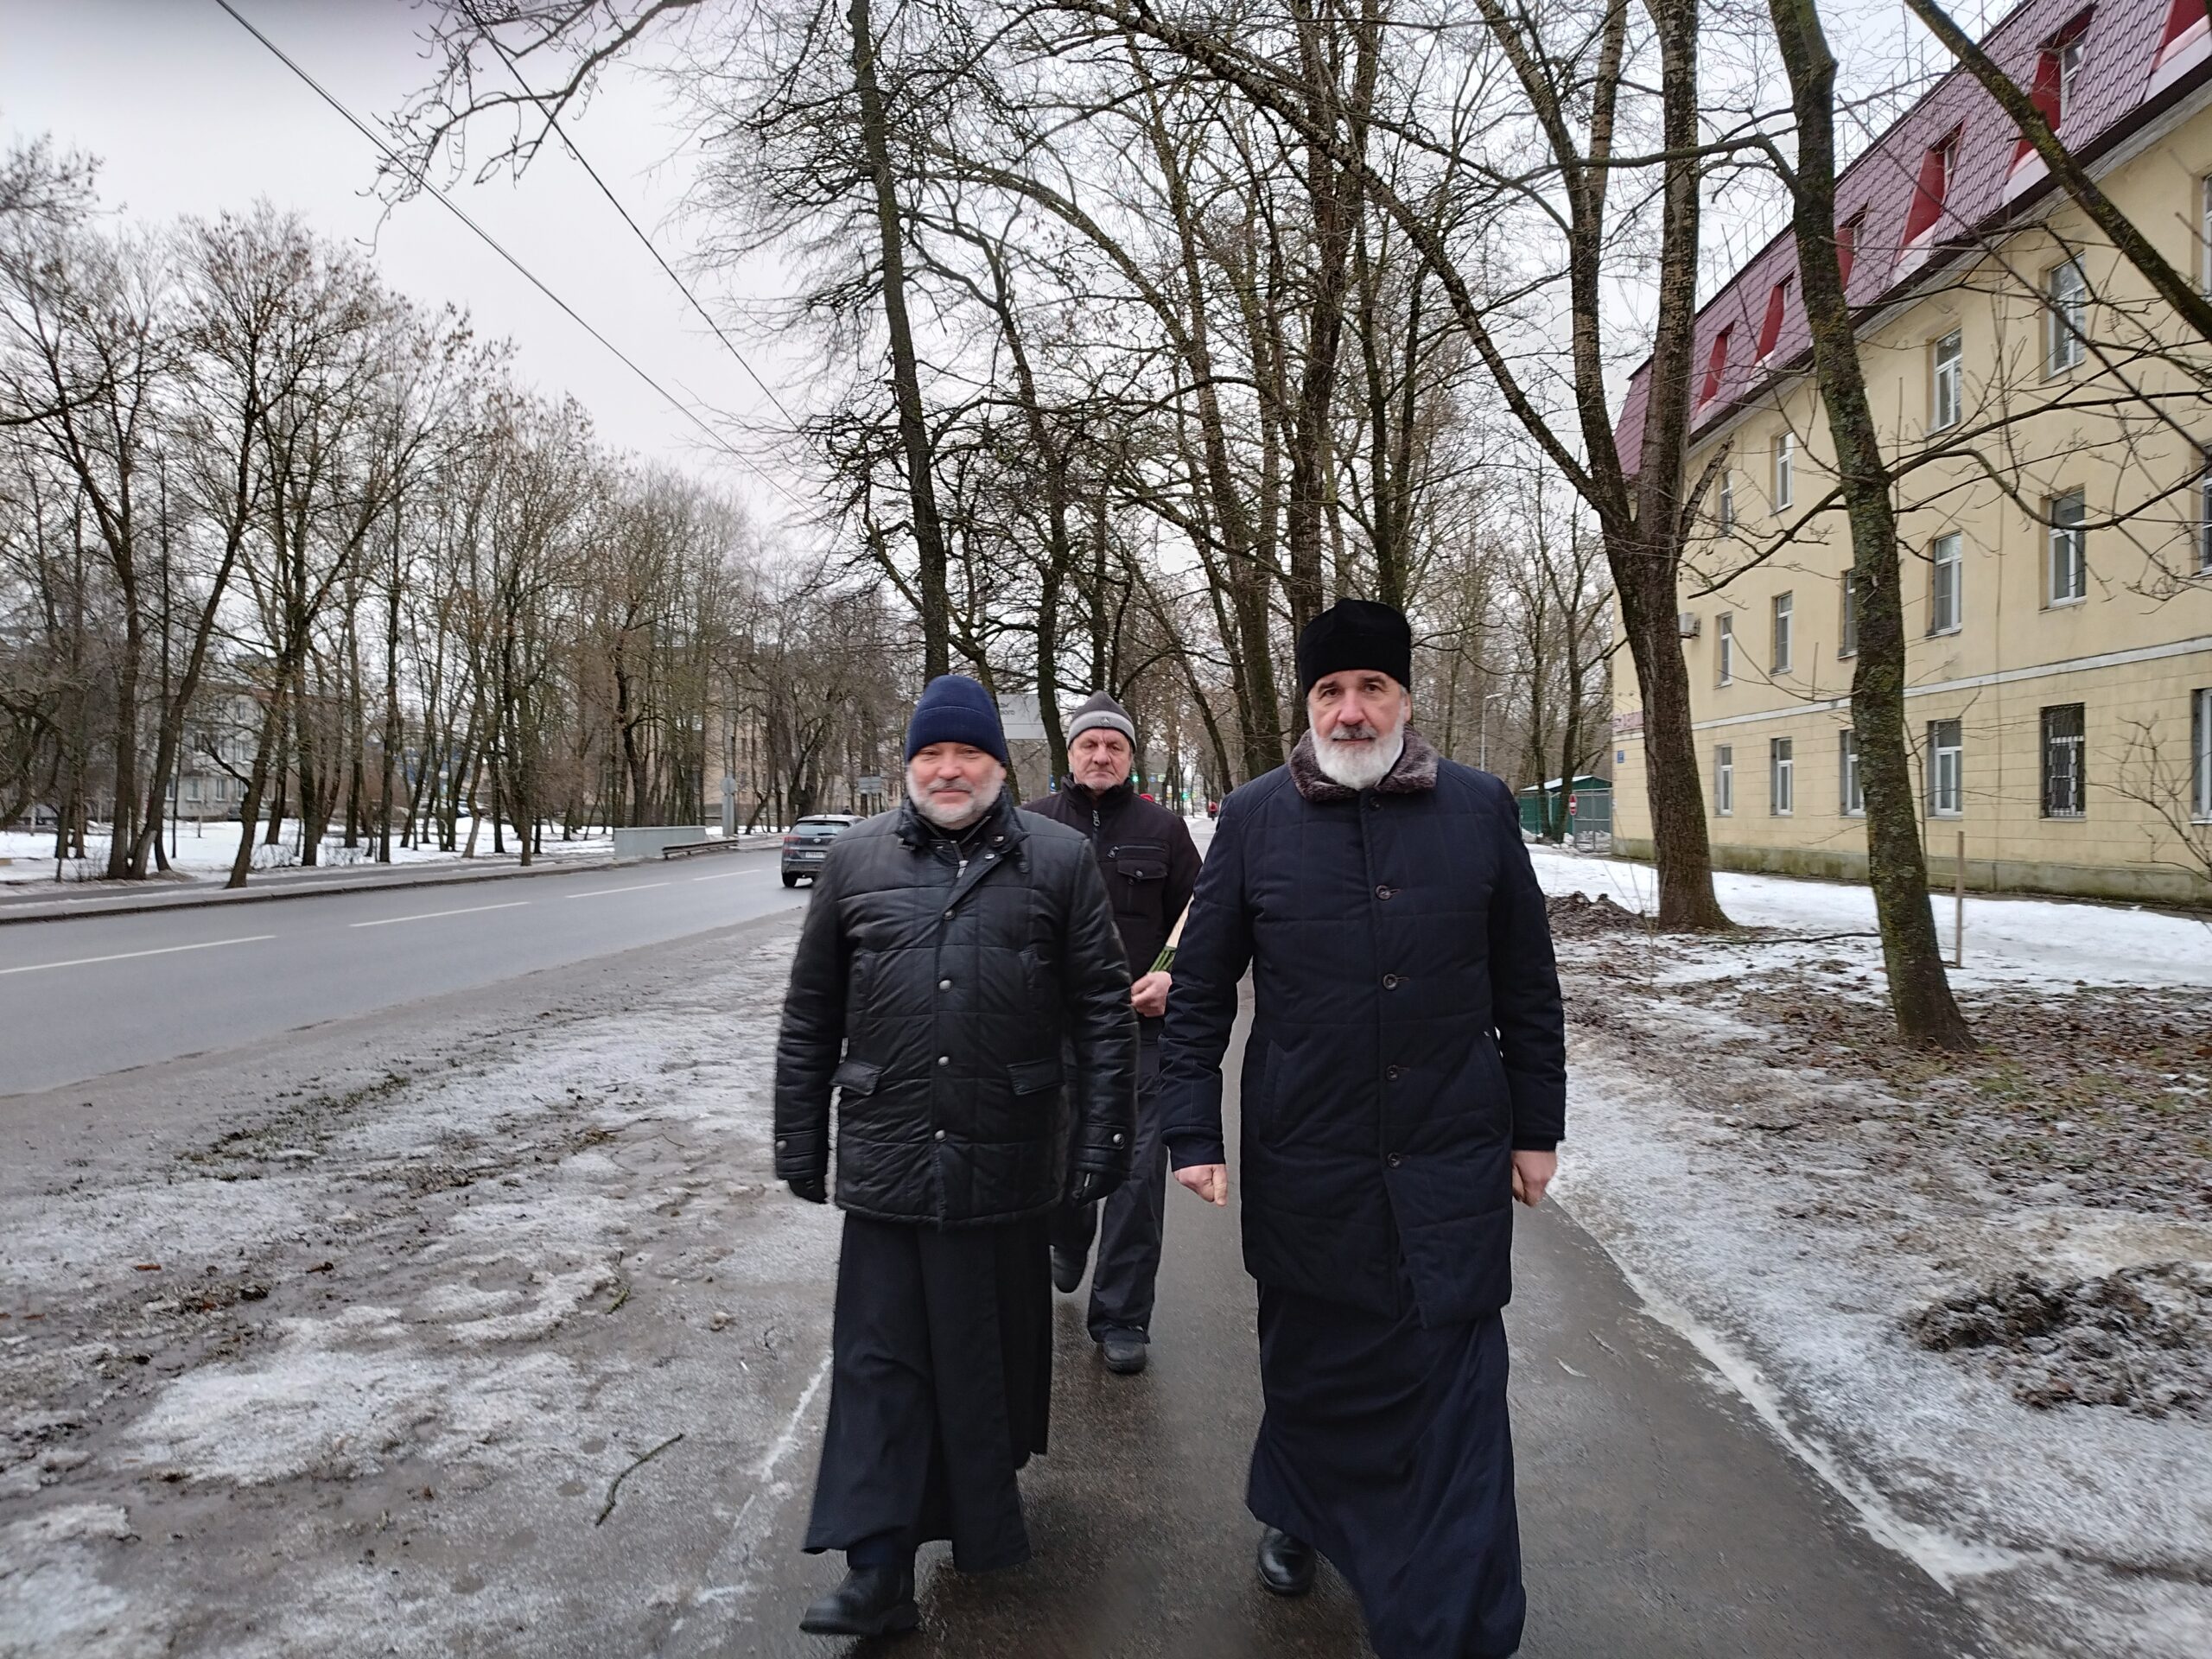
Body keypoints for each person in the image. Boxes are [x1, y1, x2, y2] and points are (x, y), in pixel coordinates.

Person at [1157, 599, 1566, 1658]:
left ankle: (1457, 1628)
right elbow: (1198, 989)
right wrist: (1192, 1132)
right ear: (1307, 706)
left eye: (1371, 688)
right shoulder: (1254, 819)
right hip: (1309, 1156)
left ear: (1405, 699)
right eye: (1330, 691)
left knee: (1456, 1392)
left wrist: (1537, 1128)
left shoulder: (1478, 809)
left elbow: (1527, 982)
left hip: (1449, 1151)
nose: (1350, 711)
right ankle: (1299, 1510)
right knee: (1317, 1367)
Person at [773, 673, 1137, 1637]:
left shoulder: (1059, 861)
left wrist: (1103, 1137)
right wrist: (799, 1135)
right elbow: (811, 1012)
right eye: (930, 754)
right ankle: (876, 1568)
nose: (947, 770)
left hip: (1006, 1157)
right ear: (908, 766)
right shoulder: (855, 861)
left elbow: (1102, 1012)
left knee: (980, 1359)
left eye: (967, 753)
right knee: (879, 1362)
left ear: (999, 767)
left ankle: (978, 1517)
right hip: (887, 1154)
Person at [1022, 690, 1203, 1375]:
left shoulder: (1164, 831)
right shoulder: (1032, 825)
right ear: (1070, 753)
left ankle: (1123, 1316)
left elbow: (1204, 918)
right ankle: (1067, 1237)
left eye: (1115, 746)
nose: (1102, 755)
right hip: (1055, 1033)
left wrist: (1172, 976)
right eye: (1090, 744)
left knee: (1137, 1179)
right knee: (1061, 1161)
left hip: (1139, 1035)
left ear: (1130, 757)